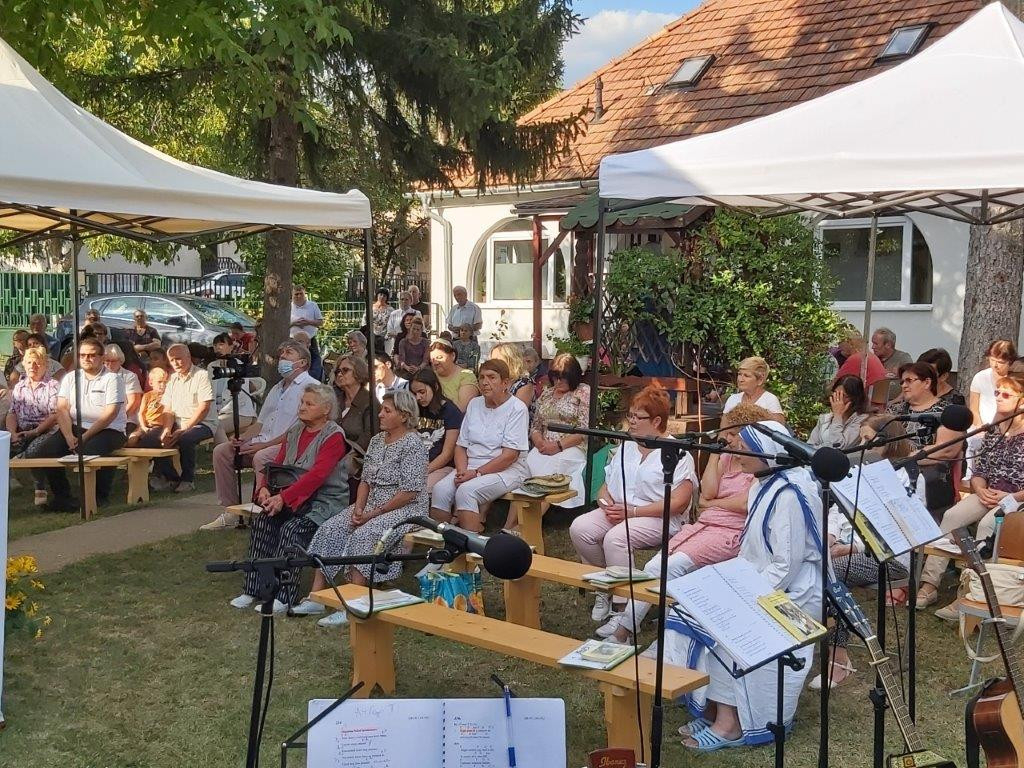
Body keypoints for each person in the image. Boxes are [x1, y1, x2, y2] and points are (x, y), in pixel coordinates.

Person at [677, 421, 821, 751]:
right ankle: (714, 708)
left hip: (792, 595)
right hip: (761, 584)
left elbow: (786, 566)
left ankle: (731, 724)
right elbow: (753, 551)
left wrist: (743, 597)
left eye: (743, 447)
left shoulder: (789, 495)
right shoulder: (762, 484)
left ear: (766, 453)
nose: (735, 452)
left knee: (730, 627)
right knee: (691, 614)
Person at [607, 404, 766, 645]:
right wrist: (715, 453)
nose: (729, 439)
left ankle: (625, 632)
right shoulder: (726, 457)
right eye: (727, 433)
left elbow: (745, 503)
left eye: (734, 435)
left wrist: (714, 504)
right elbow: (706, 493)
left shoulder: (757, 465)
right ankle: (647, 630)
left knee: (667, 568)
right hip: (704, 525)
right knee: (655, 565)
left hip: (730, 533)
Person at [293, 390, 428, 627]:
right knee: (331, 528)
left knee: (364, 536)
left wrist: (372, 514)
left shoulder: (413, 444)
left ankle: (353, 604)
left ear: (404, 416)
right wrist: (358, 509)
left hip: (405, 508)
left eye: (387, 410)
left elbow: (409, 492)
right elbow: (365, 480)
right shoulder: (377, 441)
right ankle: (316, 596)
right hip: (370, 504)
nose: (381, 414)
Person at [570, 384, 698, 626]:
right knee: (580, 528)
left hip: (658, 517)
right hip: (619, 510)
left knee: (616, 538)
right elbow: (606, 484)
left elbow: (679, 503)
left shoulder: (678, 453)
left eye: (638, 417)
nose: (631, 421)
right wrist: (605, 503)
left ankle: (623, 608)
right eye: (630, 415)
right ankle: (605, 586)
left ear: (657, 421)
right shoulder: (626, 446)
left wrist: (634, 512)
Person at [810, 423, 917, 689]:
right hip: (846, 545)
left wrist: (852, 547)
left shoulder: (905, 476)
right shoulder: (858, 470)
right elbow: (837, 510)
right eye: (862, 438)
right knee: (809, 565)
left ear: (889, 442)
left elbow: (897, 528)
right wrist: (831, 537)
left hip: (889, 556)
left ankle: (839, 659)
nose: (861, 444)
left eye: (868, 438)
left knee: (830, 575)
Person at [228, 383, 350, 613]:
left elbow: (317, 476)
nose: (302, 407)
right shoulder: (295, 431)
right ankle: (254, 589)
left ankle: (284, 595)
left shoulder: (334, 436)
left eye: (309, 404)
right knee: (263, 522)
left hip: (323, 502)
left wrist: (283, 498)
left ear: (326, 409)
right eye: (302, 402)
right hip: (291, 497)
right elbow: (277, 465)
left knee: (291, 530)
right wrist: (264, 488)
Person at [917, 372, 1024, 613]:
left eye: (1006, 394)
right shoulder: (994, 431)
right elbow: (979, 469)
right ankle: (929, 585)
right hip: (988, 493)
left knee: (987, 525)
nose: (999, 397)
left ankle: (970, 594)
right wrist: (980, 489)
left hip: (1017, 499)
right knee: (952, 516)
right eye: (997, 392)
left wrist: (1010, 497)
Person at [202, 340, 315, 530]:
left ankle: (261, 512)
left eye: (289, 353)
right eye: (281, 354)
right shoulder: (277, 388)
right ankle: (231, 511)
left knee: (262, 456)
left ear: (302, 362)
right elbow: (261, 423)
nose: (282, 357)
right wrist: (244, 438)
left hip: (287, 447)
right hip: (263, 442)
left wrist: (264, 445)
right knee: (222, 451)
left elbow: (298, 431)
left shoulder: (310, 388)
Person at [430, 359, 530, 532]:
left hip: (507, 471)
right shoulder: (474, 404)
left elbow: (509, 456)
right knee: (440, 490)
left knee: (466, 491)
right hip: (470, 467)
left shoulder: (517, 408)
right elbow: (461, 446)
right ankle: (442, 541)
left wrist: (476, 473)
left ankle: (472, 543)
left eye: (491, 377)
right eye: (481, 377)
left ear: (505, 383)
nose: (485, 382)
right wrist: (462, 471)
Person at [34, 337, 126, 511]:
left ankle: (98, 497)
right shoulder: (70, 378)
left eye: (91, 355)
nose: (86, 359)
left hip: (109, 430)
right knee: (46, 451)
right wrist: (69, 435)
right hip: (75, 427)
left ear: (102, 357)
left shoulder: (113, 379)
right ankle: (62, 497)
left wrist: (85, 436)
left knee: (88, 451)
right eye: (82, 355)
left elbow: (110, 414)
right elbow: (62, 409)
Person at [861, 362, 965, 515]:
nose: (903, 385)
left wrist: (907, 458)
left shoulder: (946, 413)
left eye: (909, 380)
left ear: (927, 383)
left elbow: (946, 450)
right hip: (888, 469)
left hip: (928, 473)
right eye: (902, 381)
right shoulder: (895, 410)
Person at [137, 343, 216, 493]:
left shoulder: (202, 375)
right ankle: (170, 477)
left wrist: (185, 428)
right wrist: (167, 429)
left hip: (203, 422)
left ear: (188, 357)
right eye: (172, 360)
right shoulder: (172, 379)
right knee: (152, 438)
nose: (176, 363)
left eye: (179, 359)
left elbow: (204, 408)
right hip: (177, 422)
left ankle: (187, 480)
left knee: (185, 439)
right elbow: (168, 409)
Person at [522, 353, 590, 515]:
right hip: (544, 446)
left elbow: (584, 429)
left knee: (550, 472)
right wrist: (539, 442)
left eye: (563, 378)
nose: (558, 382)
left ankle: (531, 520)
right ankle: (511, 523)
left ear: (573, 377)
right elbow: (536, 426)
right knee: (527, 466)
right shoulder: (546, 394)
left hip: (571, 445)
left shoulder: (583, 392)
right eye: (555, 377)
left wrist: (558, 446)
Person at [7, 346, 60, 507]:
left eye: (37, 363)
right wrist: (12, 433)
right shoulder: (19, 387)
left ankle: (39, 488)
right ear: (24, 364)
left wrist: (35, 431)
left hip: (48, 430)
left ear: (45, 365)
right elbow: (12, 413)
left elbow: (54, 416)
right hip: (22, 430)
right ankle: (6, 489)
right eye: (29, 363)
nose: (33, 366)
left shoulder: (53, 385)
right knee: (3, 448)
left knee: (33, 450)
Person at [410, 368, 463, 490]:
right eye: (414, 393)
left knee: (418, 489)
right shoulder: (415, 409)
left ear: (435, 387)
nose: (418, 397)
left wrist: (423, 471)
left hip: (441, 466)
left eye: (422, 392)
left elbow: (447, 454)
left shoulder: (450, 411)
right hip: (414, 465)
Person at [332, 355, 376, 497]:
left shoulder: (369, 402)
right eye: (338, 371)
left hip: (356, 456)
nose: (340, 374)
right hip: (331, 449)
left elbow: (370, 435)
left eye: (345, 370)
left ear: (358, 373)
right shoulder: (335, 400)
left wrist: (347, 452)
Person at [207, 333, 258, 442]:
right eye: (215, 345)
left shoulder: (238, 365)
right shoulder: (211, 366)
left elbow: (241, 396)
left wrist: (221, 411)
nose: (217, 348)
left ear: (231, 347)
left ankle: (224, 452)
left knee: (215, 426)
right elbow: (210, 391)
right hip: (217, 411)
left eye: (221, 344)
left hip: (240, 411)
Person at [808, 375, 870, 450]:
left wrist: (837, 416)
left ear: (854, 398)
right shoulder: (825, 418)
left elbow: (838, 446)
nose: (837, 399)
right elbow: (810, 445)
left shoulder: (862, 420)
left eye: (842, 395)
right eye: (835, 393)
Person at [834, 328, 889, 409]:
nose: (838, 346)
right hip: (877, 407)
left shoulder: (856, 359)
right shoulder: (871, 357)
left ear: (850, 343)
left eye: (840, 342)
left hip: (863, 407)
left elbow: (835, 386)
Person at [721, 357, 785, 421]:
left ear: (760, 380)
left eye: (746, 376)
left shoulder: (770, 400)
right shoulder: (733, 399)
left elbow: (778, 426)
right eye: (739, 374)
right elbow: (724, 426)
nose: (740, 379)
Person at [429, 338, 478, 411]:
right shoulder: (431, 376)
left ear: (453, 355)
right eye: (432, 360)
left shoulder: (466, 376)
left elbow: (461, 409)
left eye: (439, 357)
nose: (435, 363)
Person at [103, 344, 144, 432]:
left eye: (113, 361)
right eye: (107, 361)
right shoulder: (99, 376)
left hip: (126, 418)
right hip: (102, 419)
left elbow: (134, 402)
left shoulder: (129, 376)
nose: (109, 364)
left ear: (120, 361)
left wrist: (116, 419)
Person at [126, 366, 168, 447]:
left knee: (149, 441)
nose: (163, 385)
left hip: (159, 426)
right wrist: (143, 426)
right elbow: (141, 413)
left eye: (165, 382)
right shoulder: (147, 396)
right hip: (145, 425)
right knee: (132, 440)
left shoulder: (168, 396)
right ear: (151, 383)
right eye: (159, 382)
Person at [291, 285, 325, 380]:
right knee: (294, 362)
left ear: (304, 294)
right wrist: (294, 323)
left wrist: (308, 322)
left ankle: (314, 381)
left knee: (315, 362)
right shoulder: (288, 307)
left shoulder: (313, 305)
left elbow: (320, 322)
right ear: (292, 295)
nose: (298, 296)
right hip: (293, 341)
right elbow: (283, 325)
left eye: (301, 294)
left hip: (310, 340)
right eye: (296, 294)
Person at [871, 327, 913, 401]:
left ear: (888, 345)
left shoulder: (903, 358)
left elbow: (911, 383)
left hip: (896, 403)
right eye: (873, 343)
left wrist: (894, 402)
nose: (872, 347)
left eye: (876, 344)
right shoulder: (872, 359)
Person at [490, 342, 534, 409]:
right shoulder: (495, 382)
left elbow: (517, 410)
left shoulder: (525, 384)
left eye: (498, 360)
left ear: (512, 361)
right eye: (492, 361)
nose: (494, 364)